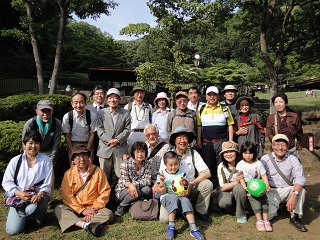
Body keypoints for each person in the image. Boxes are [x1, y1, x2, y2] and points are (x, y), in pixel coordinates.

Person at [155, 126, 213, 224]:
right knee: (164, 220)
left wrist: (191, 184)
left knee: (207, 184)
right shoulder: (168, 156)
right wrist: (160, 187)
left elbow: (207, 173)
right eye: (179, 138)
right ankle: (179, 210)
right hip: (170, 192)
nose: (182, 141)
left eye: (185, 138)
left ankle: (200, 211)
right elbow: (160, 178)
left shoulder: (193, 154)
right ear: (174, 140)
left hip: (190, 188)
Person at [54, 144, 114, 237]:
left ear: (89, 157)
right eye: (77, 156)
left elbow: (105, 192)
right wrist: (82, 211)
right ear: (73, 160)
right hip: (75, 208)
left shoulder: (98, 171)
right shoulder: (68, 174)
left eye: (84, 155)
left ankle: (76, 222)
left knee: (108, 214)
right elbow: (67, 196)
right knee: (59, 209)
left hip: (94, 209)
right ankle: (86, 224)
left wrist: (94, 208)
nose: (81, 159)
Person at [2, 130, 53, 235]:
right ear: (24, 144)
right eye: (30, 143)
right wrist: (19, 193)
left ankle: (39, 216)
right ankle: (25, 216)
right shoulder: (15, 161)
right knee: (12, 230)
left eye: (36, 143)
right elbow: (7, 182)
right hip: (19, 198)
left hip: (37, 198)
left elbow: (47, 183)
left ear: (40, 145)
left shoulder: (46, 161)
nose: (33, 146)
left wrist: (39, 195)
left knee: (32, 208)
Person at [260, 134, 308, 232]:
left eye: (283, 145)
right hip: (271, 191)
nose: (280, 148)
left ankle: (295, 217)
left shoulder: (293, 159)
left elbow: (300, 178)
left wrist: (294, 195)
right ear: (272, 146)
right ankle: (278, 207)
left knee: (301, 191)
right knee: (267, 216)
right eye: (277, 144)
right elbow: (259, 176)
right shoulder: (265, 159)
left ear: (287, 146)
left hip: (287, 189)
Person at [156, 151, 204, 240]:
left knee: (186, 201)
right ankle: (171, 227)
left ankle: (193, 228)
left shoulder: (182, 173)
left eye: (176, 164)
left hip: (180, 196)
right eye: (171, 165)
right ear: (165, 164)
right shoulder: (162, 174)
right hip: (167, 196)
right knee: (172, 198)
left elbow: (185, 186)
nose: (173, 167)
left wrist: (185, 192)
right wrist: (162, 181)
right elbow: (161, 190)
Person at [22, 100, 61, 197]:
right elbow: (25, 143)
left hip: (48, 151)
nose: (46, 114)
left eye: (48, 111)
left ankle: (48, 198)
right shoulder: (30, 124)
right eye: (43, 111)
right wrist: (29, 158)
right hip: (33, 151)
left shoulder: (57, 124)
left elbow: (56, 144)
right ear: (37, 111)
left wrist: (51, 161)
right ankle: (30, 194)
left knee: (50, 174)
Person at [196, 86, 234, 188]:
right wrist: (199, 141)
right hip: (207, 143)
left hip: (222, 142)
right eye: (210, 95)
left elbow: (230, 125)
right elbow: (199, 126)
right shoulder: (201, 109)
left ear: (218, 96)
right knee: (209, 165)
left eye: (214, 94)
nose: (212, 97)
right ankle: (211, 189)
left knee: (221, 166)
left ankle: (221, 187)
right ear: (206, 96)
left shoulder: (224, 108)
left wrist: (230, 142)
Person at [96, 88, 131, 184]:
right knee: (103, 176)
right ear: (107, 99)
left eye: (115, 97)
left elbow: (127, 130)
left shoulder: (125, 113)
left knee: (122, 175)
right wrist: (109, 140)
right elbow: (99, 129)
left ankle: (121, 196)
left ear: (119, 99)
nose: (113, 100)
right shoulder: (101, 113)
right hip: (104, 147)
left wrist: (117, 140)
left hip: (120, 148)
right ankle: (104, 197)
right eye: (110, 97)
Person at [236, 141, 272, 232]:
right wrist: (245, 187)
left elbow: (263, 175)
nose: (248, 156)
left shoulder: (258, 163)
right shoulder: (240, 164)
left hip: (260, 186)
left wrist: (266, 184)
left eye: (250, 153)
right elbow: (241, 177)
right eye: (245, 153)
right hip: (251, 188)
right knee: (256, 204)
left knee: (264, 204)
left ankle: (266, 221)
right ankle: (259, 221)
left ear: (254, 153)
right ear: (241, 153)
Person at [114, 141, 152, 216]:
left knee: (147, 190)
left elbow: (148, 180)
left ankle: (132, 202)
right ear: (133, 153)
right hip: (123, 190)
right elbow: (125, 181)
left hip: (138, 188)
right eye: (137, 152)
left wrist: (135, 184)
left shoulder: (148, 163)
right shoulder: (125, 164)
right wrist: (131, 185)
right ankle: (122, 205)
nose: (140, 154)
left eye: (142, 151)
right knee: (137, 192)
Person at [62, 92, 99, 162]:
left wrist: (88, 150)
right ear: (72, 104)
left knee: (88, 167)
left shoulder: (92, 116)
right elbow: (67, 136)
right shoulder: (67, 116)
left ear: (85, 103)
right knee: (74, 168)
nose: (78, 105)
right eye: (76, 103)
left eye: (81, 102)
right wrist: (72, 151)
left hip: (87, 144)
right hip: (73, 144)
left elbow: (92, 134)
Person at [217, 141, 247, 223]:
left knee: (239, 189)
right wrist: (236, 181)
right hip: (227, 190)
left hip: (241, 190)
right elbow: (222, 187)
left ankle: (241, 214)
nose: (229, 154)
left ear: (236, 153)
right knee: (223, 203)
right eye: (226, 152)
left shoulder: (243, 164)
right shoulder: (221, 166)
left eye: (231, 151)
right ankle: (234, 210)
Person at [266, 92, 303, 157]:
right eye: (276, 102)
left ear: (285, 103)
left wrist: (295, 143)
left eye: (281, 102)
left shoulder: (294, 116)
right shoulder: (271, 118)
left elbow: (299, 132)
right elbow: (269, 134)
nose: (278, 104)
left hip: (291, 149)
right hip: (278, 150)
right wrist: (278, 143)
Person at [124, 84, 153, 150]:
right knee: (132, 154)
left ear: (144, 94)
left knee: (145, 154)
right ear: (134, 94)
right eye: (137, 93)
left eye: (141, 93)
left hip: (145, 135)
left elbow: (151, 121)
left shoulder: (149, 106)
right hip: (132, 135)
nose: (139, 95)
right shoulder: (128, 107)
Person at [86, 85, 107, 166]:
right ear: (93, 96)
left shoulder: (108, 108)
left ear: (105, 95)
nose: (99, 95)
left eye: (101, 93)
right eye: (97, 93)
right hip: (90, 137)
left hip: (104, 137)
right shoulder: (87, 108)